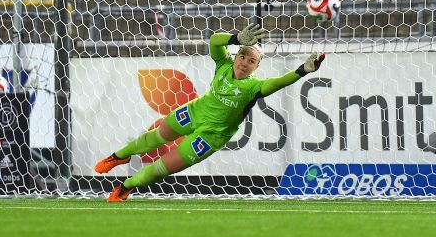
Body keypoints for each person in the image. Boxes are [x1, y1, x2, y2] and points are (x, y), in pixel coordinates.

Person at [94, 23, 326, 202]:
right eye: (242, 56)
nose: (245, 62)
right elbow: (215, 41)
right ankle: (119, 155)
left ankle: (126, 187)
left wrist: (302, 70)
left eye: (252, 60)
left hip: (211, 136)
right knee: (154, 137)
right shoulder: (224, 64)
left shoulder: (253, 87)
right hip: (195, 112)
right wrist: (236, 38)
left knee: (161, 168)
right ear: (236, 56)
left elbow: (277, 83)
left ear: (257, 66)